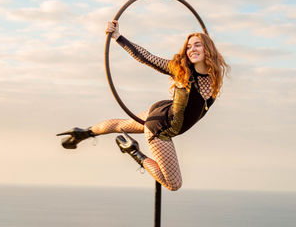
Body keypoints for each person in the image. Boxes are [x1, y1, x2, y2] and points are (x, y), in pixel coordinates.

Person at [57, 20, 230, 191]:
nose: (192, 49)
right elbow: (146, 57)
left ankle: (83, 133)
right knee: (174, 184)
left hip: (164, 111)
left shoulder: (216, 73)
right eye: (188, 46)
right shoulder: (181, 70)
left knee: (120, 125)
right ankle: (133, 150)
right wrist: (118, 37)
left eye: (197, 45)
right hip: (162, 127)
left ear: (208, 48)